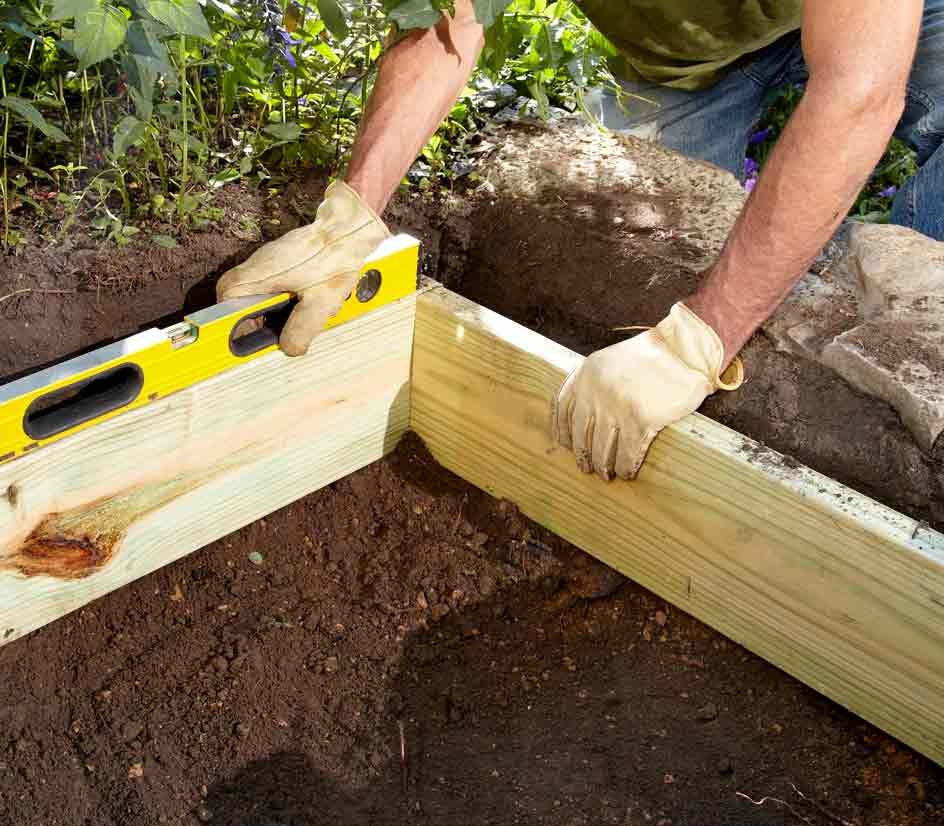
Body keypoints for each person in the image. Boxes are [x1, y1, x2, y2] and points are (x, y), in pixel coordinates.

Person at [217, 1, 941, 481]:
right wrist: (351, 217)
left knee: (915, 295)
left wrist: (704, 339)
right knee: (645, 243)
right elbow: (451, 23)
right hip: (689, 60)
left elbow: (860, 91)